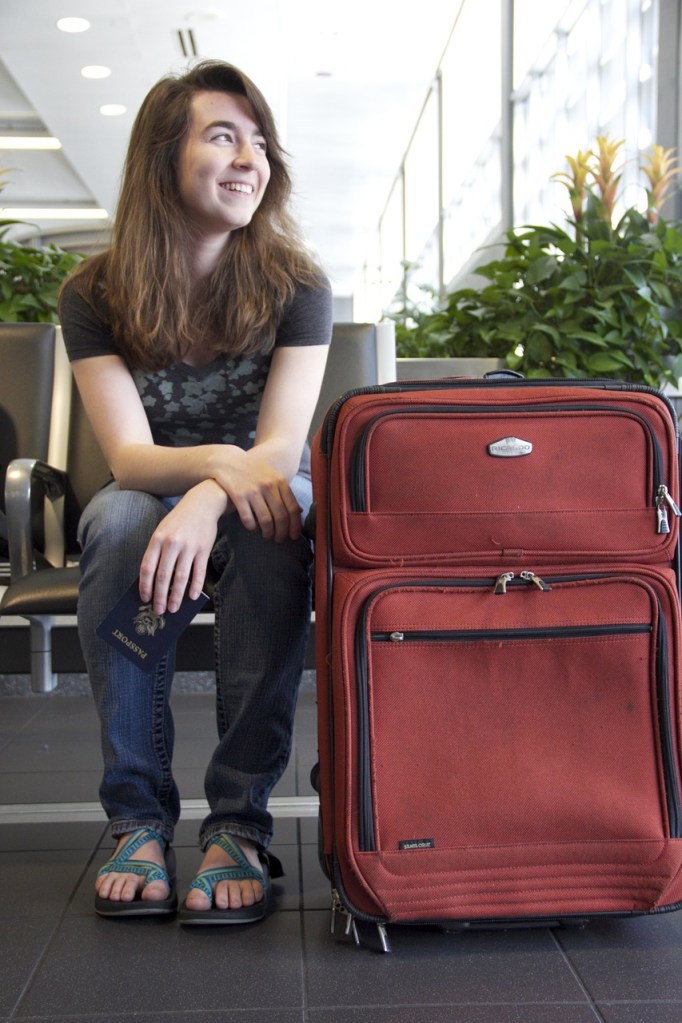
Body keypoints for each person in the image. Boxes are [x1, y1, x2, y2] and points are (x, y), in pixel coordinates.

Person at [57, 59, 332, 924]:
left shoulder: (297, 285)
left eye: (259, 142)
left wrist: (214, 491)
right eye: (223, 136)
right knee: (116, 515)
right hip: (153, 496)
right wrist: (216, 467)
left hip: (259, 496)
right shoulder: (93, 293)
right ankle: (137, 817)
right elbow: (132, 456)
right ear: (162, 159)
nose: (250, 157)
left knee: (270, 519)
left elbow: (281, 449)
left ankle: (239, 826)